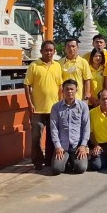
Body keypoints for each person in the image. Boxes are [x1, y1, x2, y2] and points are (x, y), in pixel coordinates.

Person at [24, 40, 64, 171]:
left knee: (52, 137)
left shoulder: (57, 66)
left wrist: (61, 104)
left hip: (53, 108)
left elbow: (60, 86)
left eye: (51, 50)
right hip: (38, 109)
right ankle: (37, 161)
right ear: (41, 51)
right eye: (46, 50)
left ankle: (49, 161)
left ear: (54, 52)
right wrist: (30, 104)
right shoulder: (34, 66)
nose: (49, 52)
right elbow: (27, 85)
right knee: (36, 138)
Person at [49, 79, 90, 175]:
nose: (69, 92)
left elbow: (86, 127)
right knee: (56, 169)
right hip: (63, 146)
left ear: (76, 90)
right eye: (67, 89)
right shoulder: (56, 107)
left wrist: (83, 145)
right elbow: (54, 129)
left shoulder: (83, 106)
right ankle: (65, 160)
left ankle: (73, 161)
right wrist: (58, 147)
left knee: (81, 168)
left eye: (72, 89)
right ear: (62, 90)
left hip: (77, 146)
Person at [59, 38, 92, 102]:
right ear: (65, 48)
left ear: (77, 48)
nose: (71, 49)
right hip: (63, 97)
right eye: (68, 46)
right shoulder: (59, 62)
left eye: (73, 46)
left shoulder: (83, 62)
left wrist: (87, 93)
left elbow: (87, 79)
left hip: (78, 97)